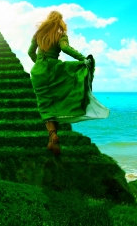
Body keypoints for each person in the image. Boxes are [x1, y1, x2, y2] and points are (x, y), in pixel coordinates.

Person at [28, 11, 97, 156]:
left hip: (38, 71)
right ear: (60, 21)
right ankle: (53, 139)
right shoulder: (61, 35)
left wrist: (39, 64)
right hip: (54, 70)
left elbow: (30, 52)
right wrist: (83, 59)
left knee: (44, 104)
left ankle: (52, 136)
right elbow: (66, 49)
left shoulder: (38, 34)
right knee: (57, 102)